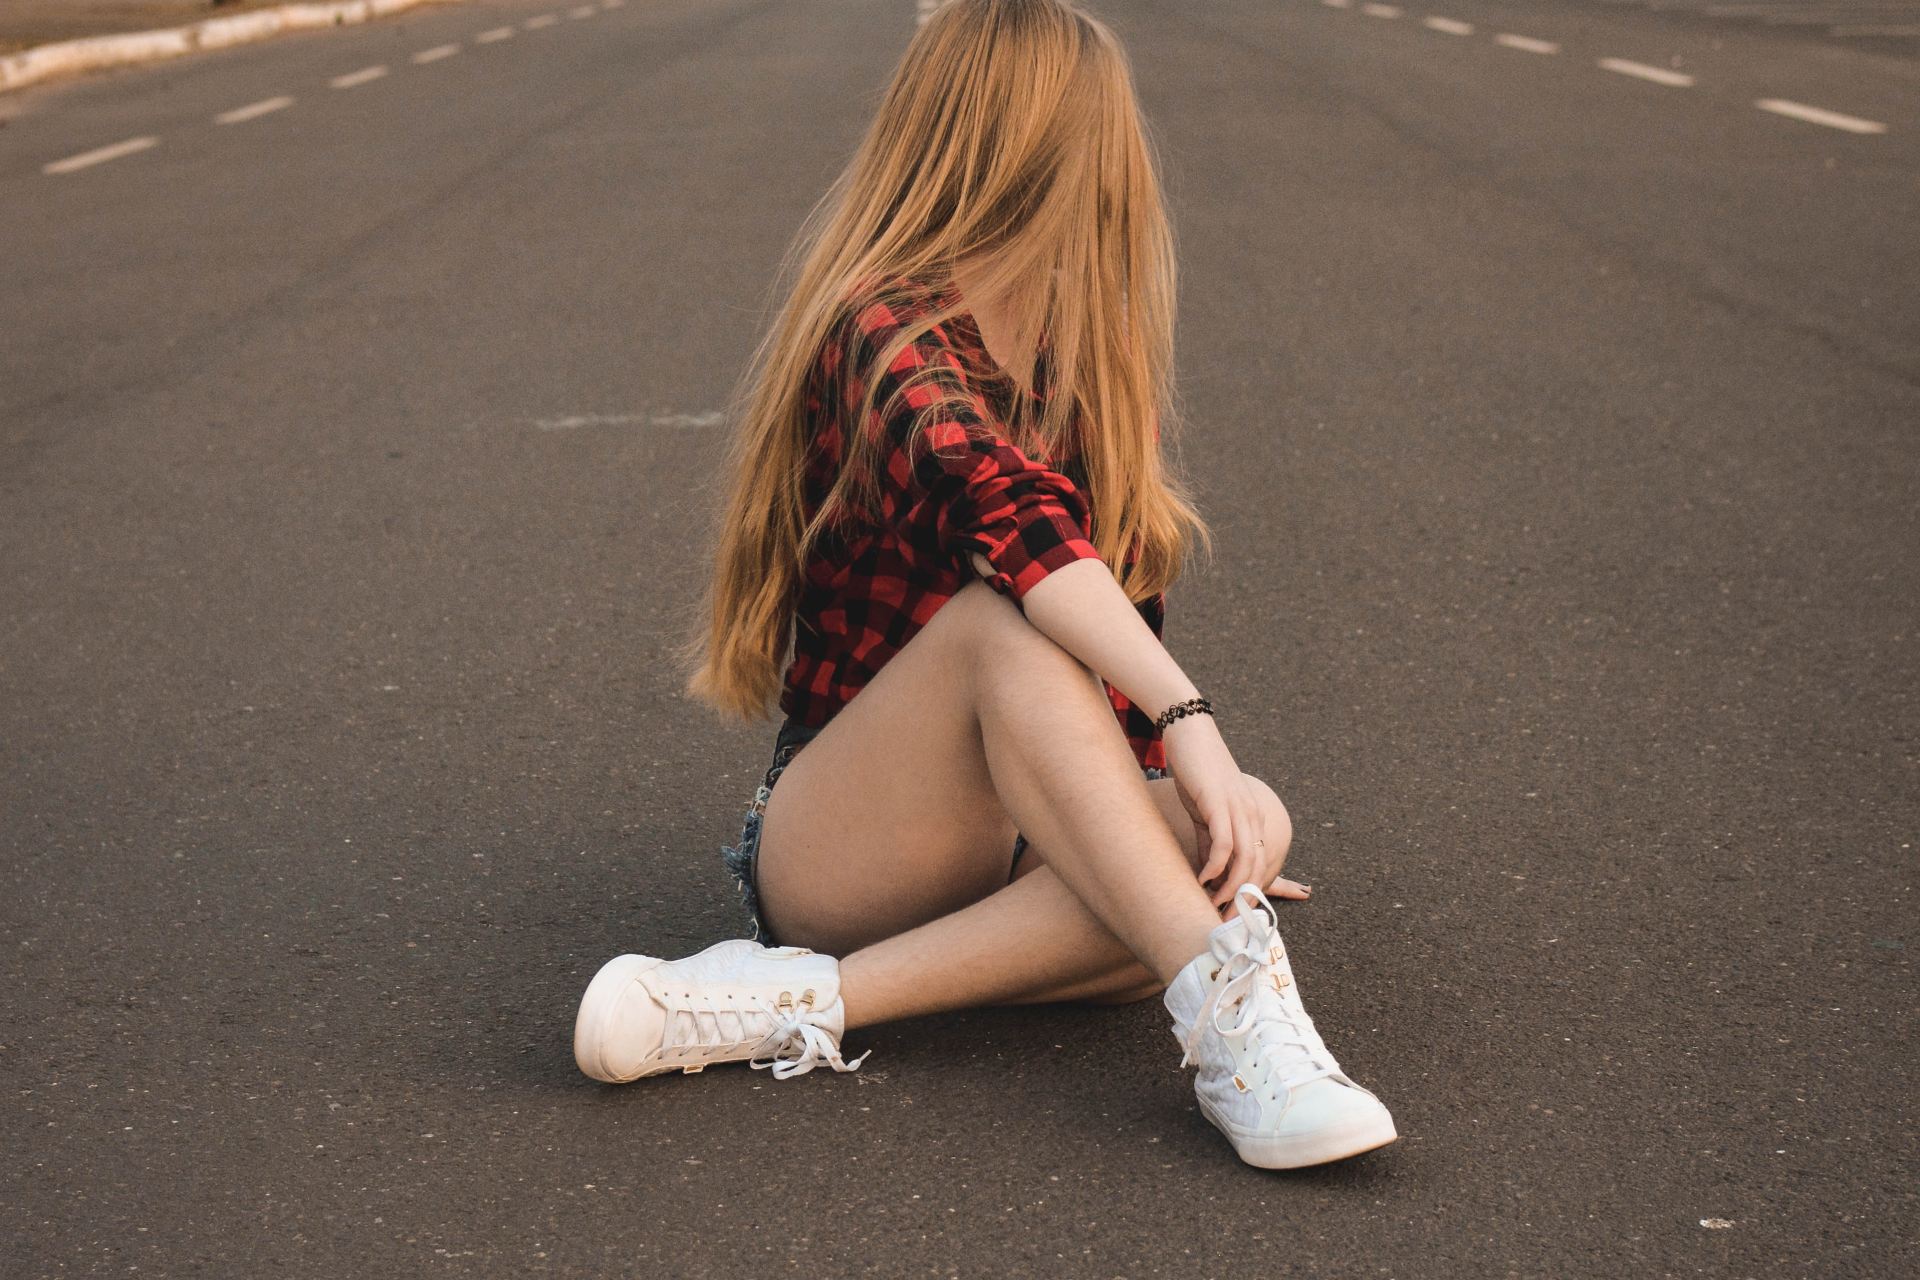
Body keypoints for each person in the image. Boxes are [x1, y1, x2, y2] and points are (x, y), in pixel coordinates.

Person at [571, 0, 1395, 1170]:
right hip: (847, 838)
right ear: (1041, 150)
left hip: (1010, 837)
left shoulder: (1080, 355)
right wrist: (1185, 716)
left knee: (1239, 828)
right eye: (1107, 137)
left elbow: (1090, 681)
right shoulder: (878, 324)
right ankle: (1234, 1023)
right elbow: (1009, 520)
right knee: (999, 630)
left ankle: (797, 1003)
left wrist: (1184, 801)